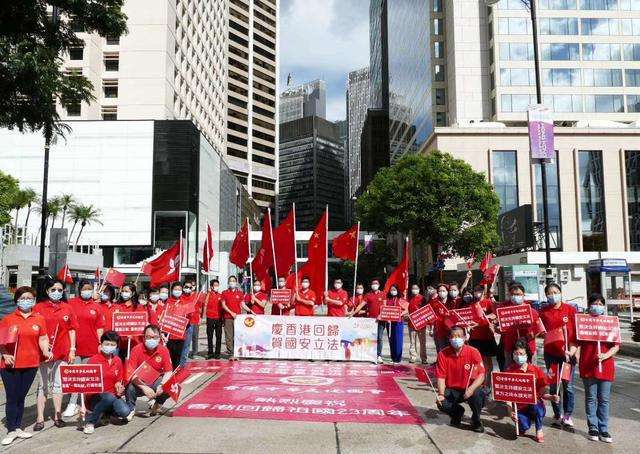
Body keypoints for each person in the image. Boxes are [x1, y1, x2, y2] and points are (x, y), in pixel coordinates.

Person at [0, 286, 50, 446]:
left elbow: (43, 338)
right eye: (23, 298)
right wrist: (5, 354)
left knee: (21, 397)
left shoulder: (39, 319)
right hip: (10, 364)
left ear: (34, 301)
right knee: (12, 397)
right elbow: (1, 341)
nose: (26, 301)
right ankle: (11, 430)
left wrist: (46, 350)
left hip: (31, 364)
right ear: (17, 300)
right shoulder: (8, 318)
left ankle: (18, 427)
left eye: (29, 298)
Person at [32, 278, 78, 430]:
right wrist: (43, 346)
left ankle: (58, 415)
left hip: (62, 352)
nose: (56, 292)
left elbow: (72, 329)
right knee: (43, 386)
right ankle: (40, 418)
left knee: (58, 385)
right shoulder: (38, 307)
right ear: (47, 291)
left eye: (59, 290)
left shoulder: (67, 308)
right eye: (53, 290)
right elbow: (34, 330)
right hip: (43, 352)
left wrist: (72, 350)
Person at [579, 293, 619, 443]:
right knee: (590, 398)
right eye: (594, 303)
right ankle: (593, 427)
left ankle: (604, 428)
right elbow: (576, 342)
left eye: (600, 303)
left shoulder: (610, 322)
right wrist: (570, 352)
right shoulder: (583, 322)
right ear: (589, 305)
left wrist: (606, 355)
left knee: (604, 399)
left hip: (606, 366)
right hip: (588, 365)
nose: (597, 306)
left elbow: (616, 345)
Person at [64, 280, 105, 419]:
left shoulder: (96, 306)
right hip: (74, 346)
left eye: (89, 289)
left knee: (87, 377)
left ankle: (86, 404)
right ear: (79, 290)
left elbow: (100, 327)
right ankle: (72, 403)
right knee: (75, 375)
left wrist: (100, 343)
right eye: (84, 288)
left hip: (91, 346)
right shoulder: (71, 304)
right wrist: (70, 347)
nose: (86, 291)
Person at [539, 282, 578, 430]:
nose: (553, 295)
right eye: (549, 293)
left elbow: (576, 335)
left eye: (555, 291)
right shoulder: (544, 311)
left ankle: (568, 415)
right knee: (554, 385)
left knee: (568, 386)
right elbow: (540, 329)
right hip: (551, 355)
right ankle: (557, 414)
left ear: (561, 292)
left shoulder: (570, 310)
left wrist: (572, 352)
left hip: (567, 355)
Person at [507, 339, 560, 443]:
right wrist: (510, 412)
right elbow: (507, 396)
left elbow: (543, 394)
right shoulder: (510, 371)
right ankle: (526, 421)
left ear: (527, 355)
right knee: (521, 429)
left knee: (536, 406)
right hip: (519, 408)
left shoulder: (536, 370)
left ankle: (539, 428)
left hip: (535, 405)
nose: (518, 356)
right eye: (516, 353)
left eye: (521, 353)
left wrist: (552, 397)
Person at [435, 326, 485, 433]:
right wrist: (441, 394)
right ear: (449, 338)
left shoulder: (473, 352)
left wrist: (471, 389)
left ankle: (476, 420)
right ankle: (457, 412)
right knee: (441, 403)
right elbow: (441, 377)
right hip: (452, 390)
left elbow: (481, 375)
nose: (455, 339)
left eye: (458, 336)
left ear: (465, 337)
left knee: (478, 394)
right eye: (453, 336)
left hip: (469, 388)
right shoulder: (443, 354)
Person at [83, 331, 132, 434]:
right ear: (101, 344)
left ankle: (106, 413)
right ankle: (90, 422)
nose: (109, 346)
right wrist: (83, 406)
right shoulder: (93, 361)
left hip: (113, 396)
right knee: (108, 397)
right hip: (96, 397)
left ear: (116, 346)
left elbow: (118, 380)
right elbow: (87, 385)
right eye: (107, 344)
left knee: (125, 411)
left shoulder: (118, 360)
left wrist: (119, 386)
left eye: (112, 344)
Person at [125, 325, 173, 416]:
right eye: (148, 337)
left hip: (155, 381)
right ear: (144, 337)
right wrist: (144, 387)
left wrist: (162, 385)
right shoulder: (136, 349)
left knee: (170, 385)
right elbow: (130, 373)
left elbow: (168, 371)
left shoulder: (164, 350)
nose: (151, 340)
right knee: (130, 386)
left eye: (155, 337)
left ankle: (157, 404)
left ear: (159, 338)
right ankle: (131, 408)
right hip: (139, 382)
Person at [497, 282, 542, 370]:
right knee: (511, 373)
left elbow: (540, 329)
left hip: (528, 349)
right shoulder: (504, 312)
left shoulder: (533, 312)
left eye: (518, 294)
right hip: (510, 348)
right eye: (513, 294)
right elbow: (501, 330)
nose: (515, 296)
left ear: (523, 295)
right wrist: (495, 329)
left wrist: (533, 335)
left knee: (531, 372)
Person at [461, 285, 496, 392]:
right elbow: (467, 319)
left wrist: (484, 319)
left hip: (487, 337)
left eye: (479, 290)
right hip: (475, 338)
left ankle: (488, 384)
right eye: (475, 290)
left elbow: (495, 314)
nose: (477, 292)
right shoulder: (472, 304)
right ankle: (477, 384)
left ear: (483, 291)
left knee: (487, 362)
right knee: (476, 362)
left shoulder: (488, 302)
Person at [354, 279, 386, 363]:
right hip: (370, 321)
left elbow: (385, 307)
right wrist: (353, 312)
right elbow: (361, 305)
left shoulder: (383, 294)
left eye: (376, 283)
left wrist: (381, 315)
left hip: (380, 320)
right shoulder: (368, 295)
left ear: (379, 285)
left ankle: (379, 355)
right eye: (373, 283)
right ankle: (370, 354)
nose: (374, 285)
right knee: (370, 338)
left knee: (379, 338)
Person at [221, 275, 245, 360]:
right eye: (230, 281)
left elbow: (243, 304)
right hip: (228, 317)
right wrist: (231, 313)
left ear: (236, 282)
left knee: (238, 336)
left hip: (238, 318)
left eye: (233, 281)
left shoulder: (240, 293)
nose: (232, 282)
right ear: (228, 283)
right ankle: (231, 353)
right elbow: (223, 305)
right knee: (229, 336)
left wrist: (251, 311)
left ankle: (237, 353)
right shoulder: (224, 292)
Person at [384, 285, 408, 364]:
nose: (393, 291)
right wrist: (387, 318)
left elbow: (407, 309)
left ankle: (398, 359)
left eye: (394, 289)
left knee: (398, 340)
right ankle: (393, 357)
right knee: (391, 340)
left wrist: (400, 314)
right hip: (389, 323)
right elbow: (384, 309)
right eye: (391, 290)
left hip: (398, 322)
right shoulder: (388, 299)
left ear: (397, 290)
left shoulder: (401, 300)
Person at [406, 284, 427, 364]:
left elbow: (426, 310)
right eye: (413, 288)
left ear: (419, 289)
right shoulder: (409, 299)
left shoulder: (423, 299)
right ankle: (413, 357)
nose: (414, 290)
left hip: (421, 324)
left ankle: (424, 358)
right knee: (412, 342)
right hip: (411, 324)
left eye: (416, 288)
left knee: (422, 343)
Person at [431, 283, 452, 353]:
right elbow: (432, 316)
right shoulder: (435, 303)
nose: (441, 293)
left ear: (447, 292)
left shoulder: (452, 302)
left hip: (450, 331)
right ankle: (440, 362)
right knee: (440, 349)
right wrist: (432, 329)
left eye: (443, 291)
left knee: (450, 350)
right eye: (440, 291)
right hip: (439, 330)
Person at [205, 279, 223, 359]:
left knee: (218, 336)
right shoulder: (208, 294)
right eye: (215, 285)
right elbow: (205, 303)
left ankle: (217, 353)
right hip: (210, 317)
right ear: (211, 286)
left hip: (219, 318)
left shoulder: (220, 295)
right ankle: (210, 352)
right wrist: (209, 292)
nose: (216, 287)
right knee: (210, 336)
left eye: (217, 285)